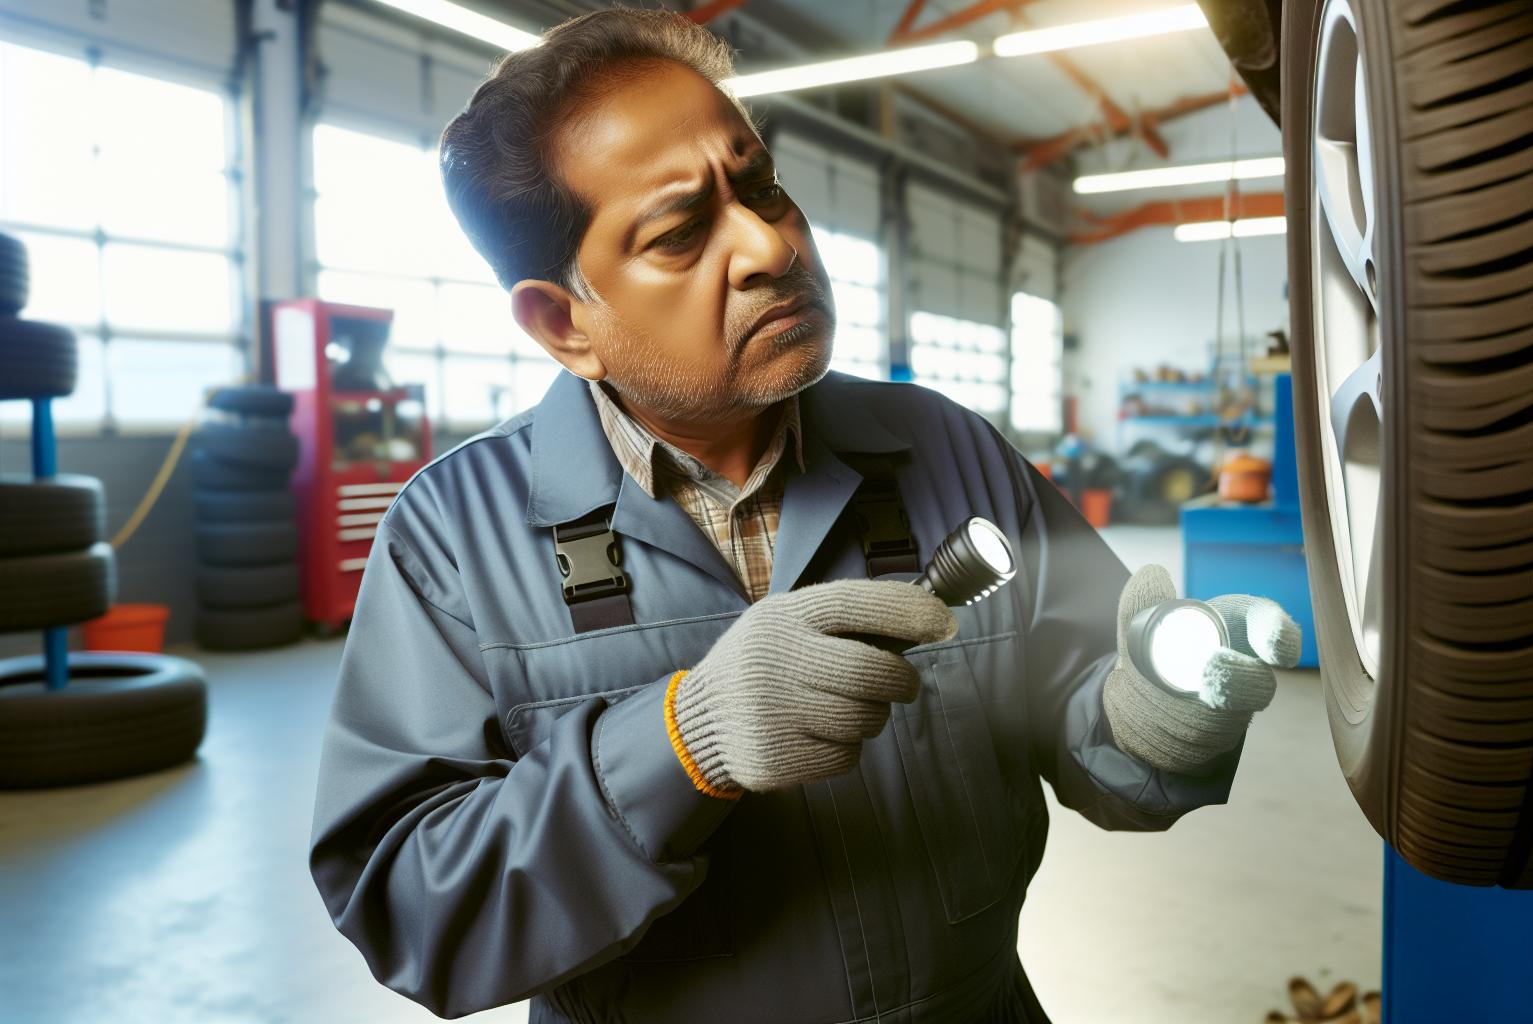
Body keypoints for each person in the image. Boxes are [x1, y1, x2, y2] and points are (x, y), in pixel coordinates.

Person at [308, 10, 1299, 1022]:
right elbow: (415, 910)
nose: (767, 246)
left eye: (762, 184)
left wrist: (1159, 710)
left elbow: (1092, 719)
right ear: (565, 322)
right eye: (681, 232)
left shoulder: (945, 449)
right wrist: (679, 745)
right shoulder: (457, 537)